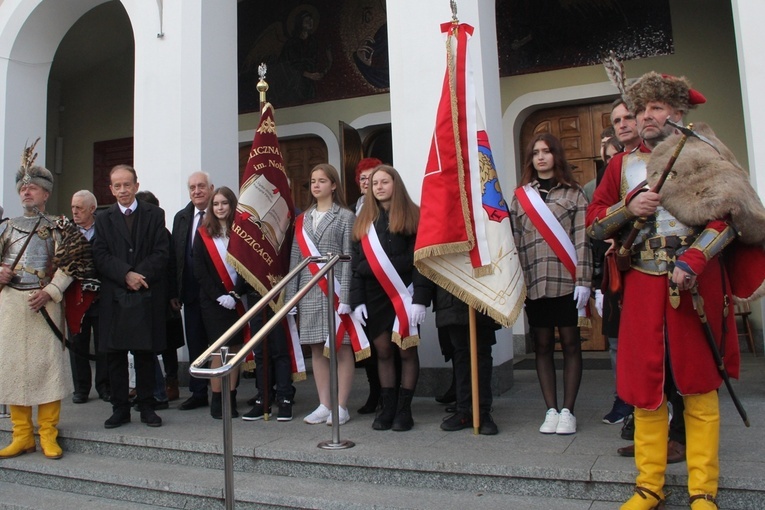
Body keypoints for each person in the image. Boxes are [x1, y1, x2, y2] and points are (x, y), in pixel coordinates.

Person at [587, 71, 741, 509]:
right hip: (641, 283)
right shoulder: (620, 165)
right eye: (640, 109)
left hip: (694, 284)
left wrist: (695, 260)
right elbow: (596, 223)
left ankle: (702, 491)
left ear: (676, 112)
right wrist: (627, 207)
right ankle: (648, 487)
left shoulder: (706, 156)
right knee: (643, 387)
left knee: (698, 384)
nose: (645, 116)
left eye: (655, 108)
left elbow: (729, 218)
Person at [0, 147, 94, 459]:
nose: (26, 191)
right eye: (23, 187)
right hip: (12, 305)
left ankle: (48, 433)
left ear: (46, 193)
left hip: (45, 303)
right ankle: (21, 434)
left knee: (47, 369)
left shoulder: (61, 226)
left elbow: (72, 265)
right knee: (14, 370)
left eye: (33, 187)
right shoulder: (6, 226)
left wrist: (51, 292)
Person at [510, 133, 592, 436]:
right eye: (535, 153)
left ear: (556, 155)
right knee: (542, 346)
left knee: (571, 344)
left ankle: (569, 410)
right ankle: (551, 409)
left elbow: (583, 240)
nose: (541, 157)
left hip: (567, 281)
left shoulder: (574, 193)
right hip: (535, 283)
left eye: (546, 151)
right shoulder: (520, 197)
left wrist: (584, 279)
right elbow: (515, 243)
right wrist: (518, 284)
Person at [350, 164, 429, 431]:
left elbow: (421, 262)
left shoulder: (413, 216)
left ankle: (404, 410)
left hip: (404, 293)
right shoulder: (363, 221)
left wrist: (421, 298)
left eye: (385, 182)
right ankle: (388, 406)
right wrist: (357, 300)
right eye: (375, 183)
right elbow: (356, 266)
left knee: (406, 350)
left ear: (396, 184)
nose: (379, 187)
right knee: (382, 350)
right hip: (374, 295)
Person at [93, 164, 169, 429]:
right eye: (117, 186)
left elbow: (162, 252)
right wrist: (126, 274)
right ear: (111, 189)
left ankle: (147, 407)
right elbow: (100, 255)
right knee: (115, 356)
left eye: (127, 185)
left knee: (145, 354)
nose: (123, 190)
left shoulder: (155, 214)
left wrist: (139, 275)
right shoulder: (103, 218)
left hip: (146, 293)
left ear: (136, 186)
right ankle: (120, 409)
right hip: (115, 295)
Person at [284, 163, 357, 426]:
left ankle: (341, 405)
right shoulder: (302, 219)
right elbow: (295, 258)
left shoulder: (346, 217)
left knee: (342, 348)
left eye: (322, 181)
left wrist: (346, 297)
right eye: (313, 181)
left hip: (335, 291)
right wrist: (291, 296)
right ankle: (324, 403)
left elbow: (349, 258)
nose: (316, 185)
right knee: (316, 347)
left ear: (334, 185)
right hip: (309, 290)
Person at [193, 186, 249, 420]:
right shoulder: (203, 233)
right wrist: (219, 295)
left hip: (236, 300)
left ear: (232, 205)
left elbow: (248, 267)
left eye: (224, 203)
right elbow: (200, 270)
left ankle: (231, 398)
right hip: (213, 302)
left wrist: (235, 294)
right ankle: (217, 400)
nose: (220, 208)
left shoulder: (243, 232)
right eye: (215, 204)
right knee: (220, 349)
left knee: (235, 350)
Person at [432, 285, 499, 435]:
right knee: (461, 354)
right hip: (451, 296)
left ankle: (482, 412)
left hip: (481, 293)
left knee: (482, 353)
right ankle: (463, 410)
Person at [173, 172, 214, 411]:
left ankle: (223, 392)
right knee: (196, 344)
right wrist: (175, 292)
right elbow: (176, 257)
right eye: (192, 188)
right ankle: (198, 392)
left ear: (211, 188)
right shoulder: (182, 218)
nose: (196, 191)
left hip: (217, 294)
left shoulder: (222, 212)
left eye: (201, 186)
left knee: (220, 343)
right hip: (190, 292)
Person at [68, 190, 110, 404]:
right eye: (73, 207)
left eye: (80, 208)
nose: (74, 212)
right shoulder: (67, 232)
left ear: (92, 209)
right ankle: (81, 388)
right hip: (76, 297)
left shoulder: (104, 229)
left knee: (104, 343)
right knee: (77, 343)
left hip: (101, 297)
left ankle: (104, 386)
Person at [352, 157, 385, 415]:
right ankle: (374, 392)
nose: (368, 182)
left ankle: (389, 395)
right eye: (364, 178)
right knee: (369, 348)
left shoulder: (389, 208)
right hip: (362, 287)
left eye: (373, 177)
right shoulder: (353, 211)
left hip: (388, 287)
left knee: (388, 347)